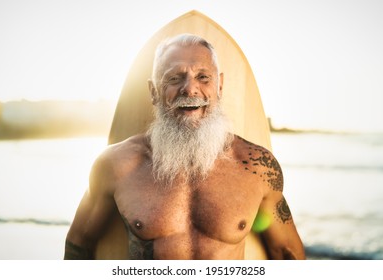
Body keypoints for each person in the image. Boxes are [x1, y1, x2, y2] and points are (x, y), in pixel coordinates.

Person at [64, 33, 305, 260]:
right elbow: (78, 244)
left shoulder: (257, 168)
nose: (190, 89)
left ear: (219, 86)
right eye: (174, 78)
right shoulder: (116, 165)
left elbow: (286, 253)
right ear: (154, 91)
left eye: (203, 77)